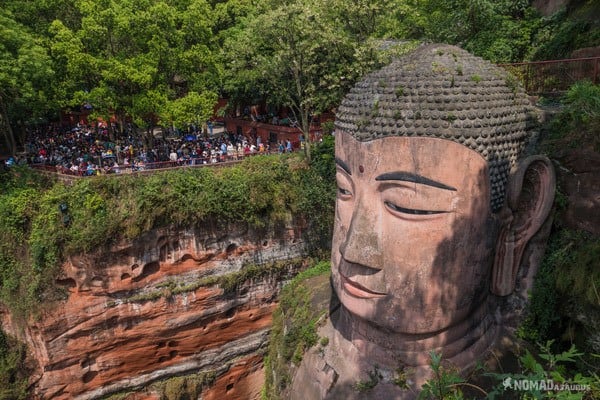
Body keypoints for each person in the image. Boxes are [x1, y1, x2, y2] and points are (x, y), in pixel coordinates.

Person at [290, 44, 555, 399]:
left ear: (522, 214)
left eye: (407, 206)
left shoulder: (521, 384)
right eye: (343, 190)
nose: (354, 250)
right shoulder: (301, 326)